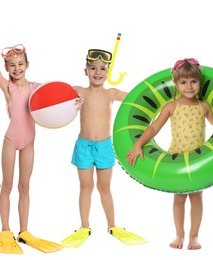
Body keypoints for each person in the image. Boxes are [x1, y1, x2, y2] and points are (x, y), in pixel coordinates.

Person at [0, 15, 63, 254]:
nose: (17, 69)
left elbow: (58, 100)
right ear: (8, 69)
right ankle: (6, 229)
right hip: (11, 140)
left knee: (25, 187)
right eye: (12, 66)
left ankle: (24, 231)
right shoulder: (7, 88)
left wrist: (74, 103)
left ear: (26, 65)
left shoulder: (36, 88)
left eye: (20, 64)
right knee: (7, 186)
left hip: (29, 141)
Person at [61, 49, 147, 248]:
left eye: (102, 69)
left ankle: (112, 225)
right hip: (84, 146)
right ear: (86, 71)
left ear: (108, 72)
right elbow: (54, 92)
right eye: (93, 68)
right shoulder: (79, 91)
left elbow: (136, 97)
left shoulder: (112, 93)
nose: (97, 72)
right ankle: (84, 226)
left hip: (105, 146)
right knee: (85, 187)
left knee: (105, 187)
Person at [126, 58, 213, 250]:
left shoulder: (204, 107)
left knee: (197, 197)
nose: (189, 86)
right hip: (176, 158)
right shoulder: (171, 106)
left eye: (193, 81)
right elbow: (155, 127)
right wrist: (139, 144)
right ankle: (179, 234)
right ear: (175, 84)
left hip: (198, 159)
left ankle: (194, 236)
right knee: (179, 198)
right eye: (183, 82)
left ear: (199, 82)